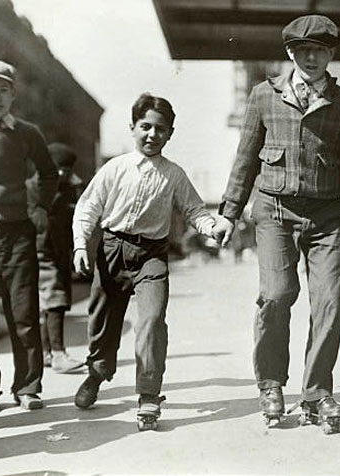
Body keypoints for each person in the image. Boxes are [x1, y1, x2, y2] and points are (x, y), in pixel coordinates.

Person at [215, 14, 340, 432]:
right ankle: (270, 384)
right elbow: (246, 158)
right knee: (277, 293)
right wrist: (229, 213)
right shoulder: (264, 96)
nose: (312, 57)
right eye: (304, 50)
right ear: (290, 53)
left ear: (331, 54)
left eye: (321, 50)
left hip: (326, 217)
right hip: (275, 211)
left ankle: (318, 393)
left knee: (330, 302)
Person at [72, 93, 223, 430]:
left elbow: (195, 209)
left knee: (152, 320)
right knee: (102, 322)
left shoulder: (174, 175)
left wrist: (211, 228)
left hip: (151, 256)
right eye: (145, 127)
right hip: (111, 250)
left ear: (170, 134)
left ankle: (149, 395)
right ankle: (96, 374)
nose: (152, 134)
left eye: (160, 129)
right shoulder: (115, 168)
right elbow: (88, 207)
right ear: (133, 127)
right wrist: (81, 246)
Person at [0, 60, 58, 414]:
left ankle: (28, 386)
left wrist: (40, 208)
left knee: (23, 312)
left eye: (3, 90)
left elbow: (49, 174)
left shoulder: (27, 132)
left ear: (12, 94)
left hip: (18, 231)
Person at [26, 142, 84, 373]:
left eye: (67, 170)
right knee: (54, 297)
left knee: (53, 301)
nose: (63, 174)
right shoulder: (33, 186)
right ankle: (58, 354)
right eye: (59, 169)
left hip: (61, 250)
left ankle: (47, 353)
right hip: (40, 249)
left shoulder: (71, 187)